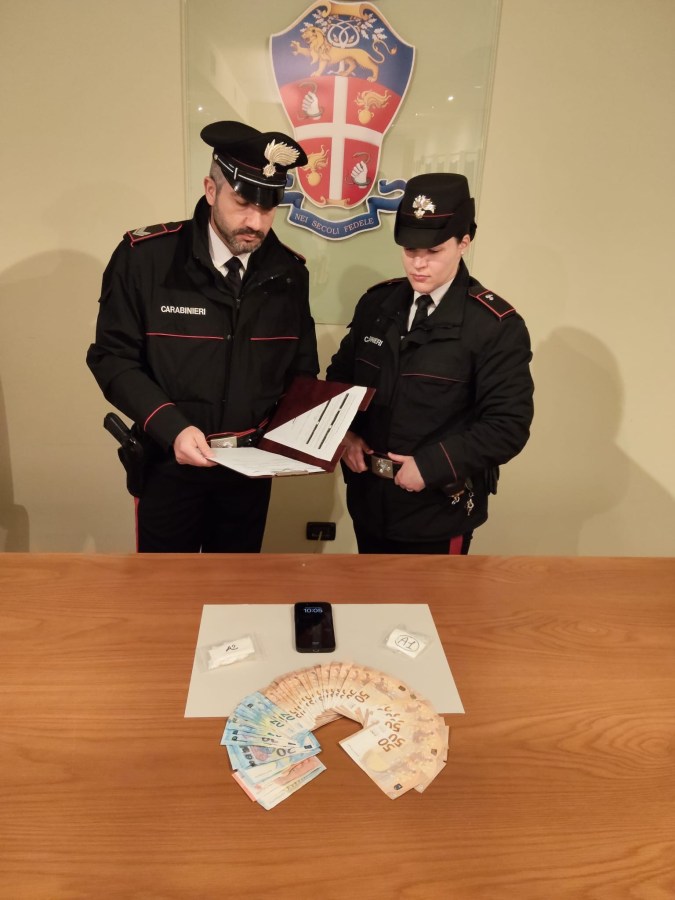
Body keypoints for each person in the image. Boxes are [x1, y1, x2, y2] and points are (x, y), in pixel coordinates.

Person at [87, 121, 318, 552]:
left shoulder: (290, 274)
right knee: (166, 599)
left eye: (268, 208)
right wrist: (171, 428)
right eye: (243, 201)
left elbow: (301, 369)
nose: (254, 221)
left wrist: (302, 437)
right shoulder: (146, 259)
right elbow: (112, 358)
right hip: (167, 464)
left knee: (235, 597)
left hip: (249, 473)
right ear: (211, 189)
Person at [326, 172, 534, 554]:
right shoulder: (377, 305)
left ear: (464, 243)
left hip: (438, 509)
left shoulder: (493, 326)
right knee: (370, 608)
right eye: (409, 250)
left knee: (431, 613)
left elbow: (508, 425)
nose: (418, 264)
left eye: (433, 251)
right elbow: (341, 380)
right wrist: (345, 435)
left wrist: (433, 465)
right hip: (369, 502)